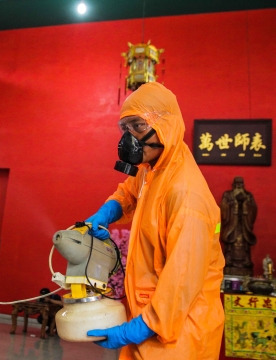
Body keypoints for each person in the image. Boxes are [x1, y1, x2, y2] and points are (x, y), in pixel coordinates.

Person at [84, 82, 225, 359]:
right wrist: (108, 212)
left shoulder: (187, 196)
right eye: (125, 128)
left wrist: (138, 328)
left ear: (166, 127)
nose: (129, 138)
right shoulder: (154, 170)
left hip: (179, 335)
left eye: (137, 126)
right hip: (151, 323)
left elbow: (182, 281)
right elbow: (129, 192)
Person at [220, 176, 257, 276]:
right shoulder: (227, 195)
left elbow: (253, 209)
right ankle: (228, 261)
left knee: (244, 245)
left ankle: (246, 262)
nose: (238, 186)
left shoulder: (248, 195)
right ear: (233, 185)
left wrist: (246, 203)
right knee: (230, 244)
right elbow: (223, 209)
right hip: (232, 224)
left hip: (244, 225)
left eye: (241, 184)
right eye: (236, 184)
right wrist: (234, 204)